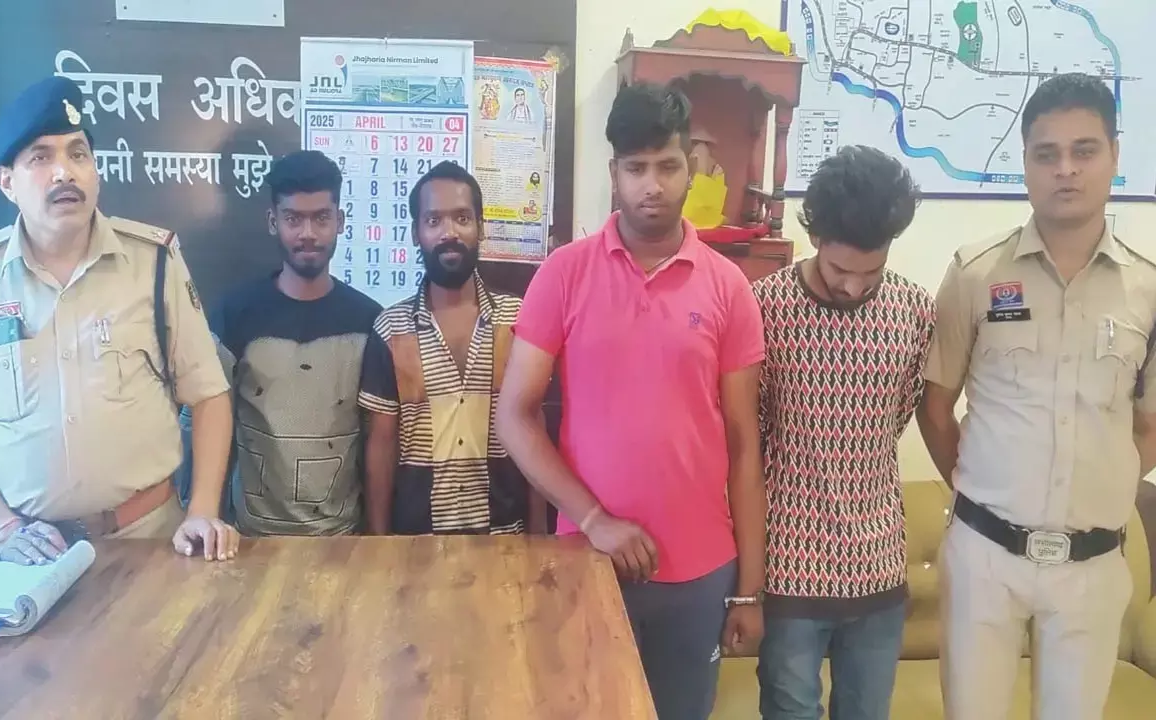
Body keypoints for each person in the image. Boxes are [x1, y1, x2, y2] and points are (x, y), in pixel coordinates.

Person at [495, 83, 768, 720]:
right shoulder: (564, 273)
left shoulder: (728, 287)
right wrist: (593, 519)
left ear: (690, 167)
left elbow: (743, 444)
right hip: (587, 560)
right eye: (636, 168)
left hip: (699, 573)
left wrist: (749, 592)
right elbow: (514, 415)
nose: (652, 185)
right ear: (613, 172)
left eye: (667, 166)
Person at [917, 72, 1156, 720]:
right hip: (985, 559)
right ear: (1024, 161)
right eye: (1047, 153)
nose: (1065, 169)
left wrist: (1101, 487)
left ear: (1114, 155)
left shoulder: (1147, 289)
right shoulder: (976, 272)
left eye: (1084, 150)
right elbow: (934, 407)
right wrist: (982, 491)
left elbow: (1148, 425)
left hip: (1093, 564)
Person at [0, 76, 237, 563]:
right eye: (41, 158)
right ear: (7, 182)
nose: (64, 172)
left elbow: (209, 395)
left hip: (151, 540)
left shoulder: (154, 262)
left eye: (78, 154)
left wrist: (202, 511)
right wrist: (4, 529)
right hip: (31, 555)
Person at [753, 145, 932, 720]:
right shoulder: (764, 308)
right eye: (839, 272)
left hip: (879, 563)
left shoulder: (914, 311)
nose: (854, 288)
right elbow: (749, 435)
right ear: (815, 237)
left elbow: (896, 417)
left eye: (870, 273)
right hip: (787, 566)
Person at [358, 161, 546, 536]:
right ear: (415, 233)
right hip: (417, 545)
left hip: (504, 540)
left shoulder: (517, 320)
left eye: (462, 218)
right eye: (433, 221)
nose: (449, 233)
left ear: (481, 228)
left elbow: (533, 423)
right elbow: (382, 443)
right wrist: (378, 543)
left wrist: (541, 532)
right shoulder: (391, 329)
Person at [208, 150, 382, 535]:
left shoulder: (369, 321)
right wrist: (206, 518)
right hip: (250, 541)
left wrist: (376, 540)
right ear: (273, 222)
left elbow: (378, 442)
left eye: (321, 218)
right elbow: (208, 425)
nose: (308, 234)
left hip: (342, 542)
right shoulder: (235, 315)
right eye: (293, 219)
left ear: (339, 221)